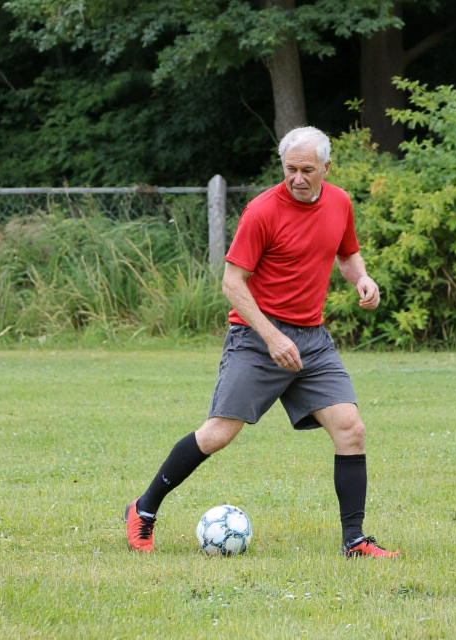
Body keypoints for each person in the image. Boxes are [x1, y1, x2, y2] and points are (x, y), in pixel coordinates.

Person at [122, 126, 400, 558]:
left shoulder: (340, 202)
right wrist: (271, 337)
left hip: (312, 339)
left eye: (308, 169)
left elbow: (346, 254)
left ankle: (354, 540)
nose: (298, 178)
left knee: (351, 430)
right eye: (291, 169)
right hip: (256, 338)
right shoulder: (262, 211)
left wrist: (362, 278)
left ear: (327, 167)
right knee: (216, 435)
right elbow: (233, 284)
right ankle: (143, 509)